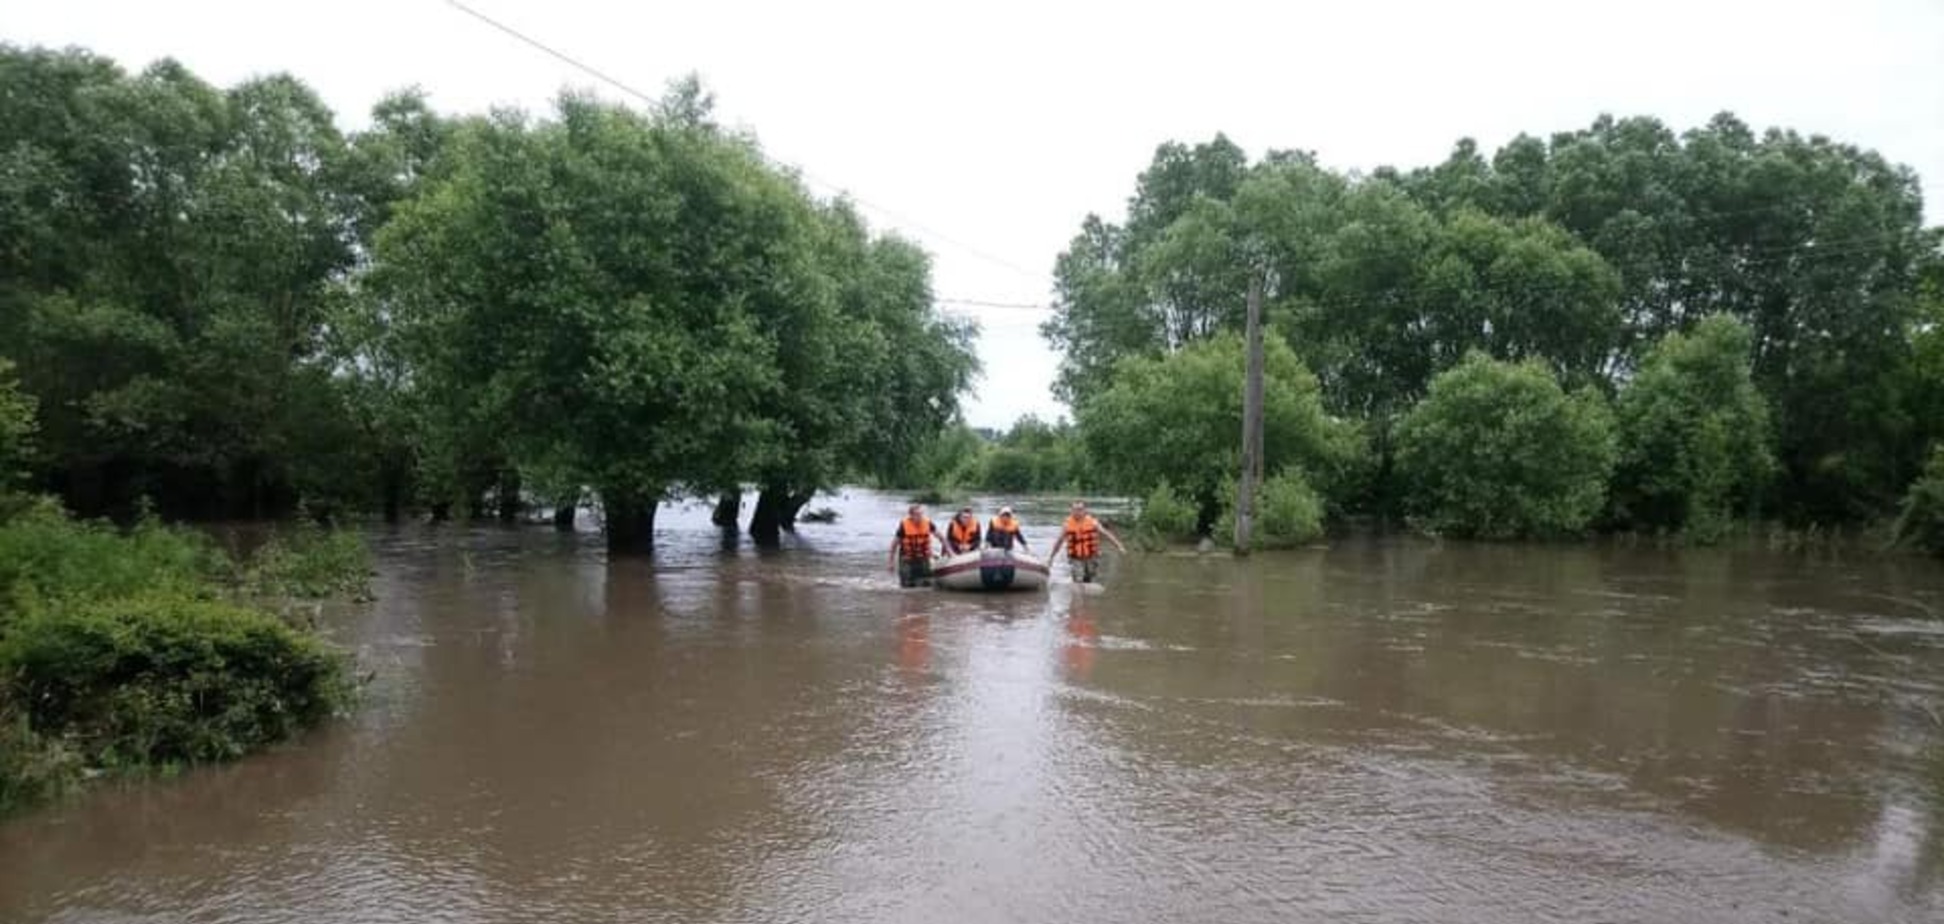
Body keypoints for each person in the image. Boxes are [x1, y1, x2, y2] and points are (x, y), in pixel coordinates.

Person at [1047, 500, 1126, 584]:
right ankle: (1077, 594)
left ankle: (1085, 595)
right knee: (1078, 579)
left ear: (1085, 510)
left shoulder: (1093, 522)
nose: (1077, 512)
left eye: (1080, 509)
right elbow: (1059, 542)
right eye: (1075, 509)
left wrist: (1119, 546)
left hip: (1091, 556)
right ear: (1071, 511)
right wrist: (1051, 557)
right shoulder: (1067, 524)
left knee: (1088, 579)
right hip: (1075, 557)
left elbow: (1107, 534)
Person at [888, 503, 944, 587]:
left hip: (923, 557)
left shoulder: (928, 523)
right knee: (907, 585)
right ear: (911, 515)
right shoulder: (904, 526)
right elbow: (894, 545)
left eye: (921, 514)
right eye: (917, 514)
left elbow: (942, 538)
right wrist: (890, 562)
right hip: (907, 559)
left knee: (927, 583)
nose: (920, 516)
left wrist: (949, 552)